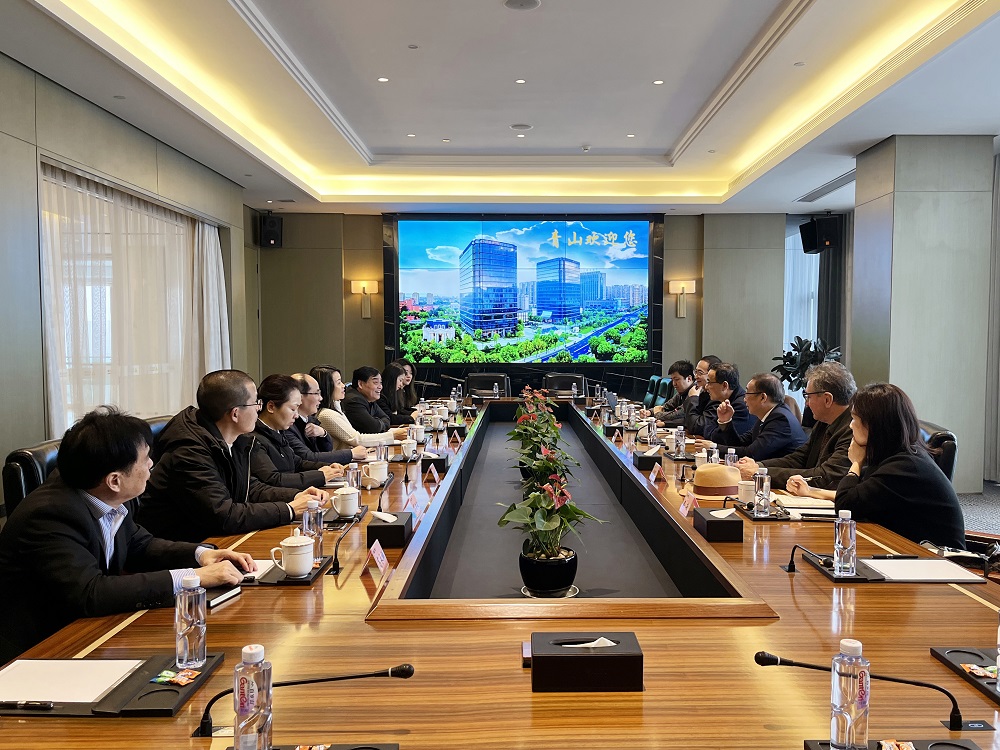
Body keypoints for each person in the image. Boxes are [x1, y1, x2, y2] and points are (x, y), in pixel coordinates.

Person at [0, 408, 255, 663]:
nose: (151, 464)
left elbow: (138, 543)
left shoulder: (110, 494)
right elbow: (91, 592)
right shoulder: (50, 514)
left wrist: (201, 555)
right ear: (114, 480)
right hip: (43, 651)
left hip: (95, 630)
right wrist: (193, 578)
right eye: (145, 459)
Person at [137, 370, 326, 542]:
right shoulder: (189, 451)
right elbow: (223, 514)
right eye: (255, 403)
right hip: (183, 548)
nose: (258, 409)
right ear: (235, 414)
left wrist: (296, 496)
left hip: (213, 538)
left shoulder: (235, 437)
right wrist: (289, 509)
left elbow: (250, 488)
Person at [786, 383, 965, 549]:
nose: (851, 425)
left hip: (937, 559)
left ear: (874, 425)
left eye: (854, 419)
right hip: (908, 547)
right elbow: (863, 494)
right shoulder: (896, 455)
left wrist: (856, 463)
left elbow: (846, 505)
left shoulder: (905, 466)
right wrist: (811, 491)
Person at [738, 361, 855, 490]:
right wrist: (759, 466)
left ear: (827, 399)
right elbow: (799, 458)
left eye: (808, 397)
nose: (806, 404)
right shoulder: (823, 423)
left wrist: (761, 473)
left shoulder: (853, 429)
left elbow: (825, 476)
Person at [250, 374, 345, 490]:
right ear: (271, 407)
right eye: (292, 409)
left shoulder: (278, 431)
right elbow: (273, 479)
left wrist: (328, 467)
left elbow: (297, 463)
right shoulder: (254, 439)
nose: (296, 415)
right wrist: (320, 475)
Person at [712, 372, 806, 460]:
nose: (744, 399)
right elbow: (740, 444)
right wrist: (726, 421)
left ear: (763, 397)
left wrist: (713, 448)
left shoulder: (781, 419)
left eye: (747, 393)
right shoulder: (769, 415)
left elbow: (752, 454)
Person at [311, 365, 407, 450]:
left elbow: (386, 418)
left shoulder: (337, 406)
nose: (343, 386)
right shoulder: (327, 414)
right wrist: (393, 435)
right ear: (327, 386)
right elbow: (357, 439)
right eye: (339, 382)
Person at [289, 372, 366, 463]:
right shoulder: (288, 426)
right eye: (316, 393)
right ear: (299, 397)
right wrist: (351, 453)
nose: (320, 398)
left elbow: (327, 449)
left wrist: (323, 434)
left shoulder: (310, 420)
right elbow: (307, 458)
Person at [684, 360, 752, 440]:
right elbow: (707, 429)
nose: (706, 387)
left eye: (709, 382)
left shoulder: (740, 406)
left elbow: (719, 438)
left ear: (724, 385)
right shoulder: (723, 400)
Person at [341, 366, 393, 434]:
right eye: (375, 382)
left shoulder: (369, 398)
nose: (380, 387)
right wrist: (379, 422)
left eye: (380, 383)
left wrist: (377, 422)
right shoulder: (354, 400)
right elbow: (373, 427)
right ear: (360, 384)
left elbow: (386, 418)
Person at [678, 354, 721, 436]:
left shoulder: (716, 398)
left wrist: (693, 398)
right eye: (696, 372)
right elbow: (687, 419)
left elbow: (697, 427)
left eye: (700, 373)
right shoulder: (702, 392)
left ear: (711, 375)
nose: (696, 376)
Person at [647, 360, 694, 427]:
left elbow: (678, 415)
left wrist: (657, 414)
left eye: (676, 379)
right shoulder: (681, 393)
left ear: (689, 379)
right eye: (672, 380)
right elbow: (666, 407)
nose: (674, 384)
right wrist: (650, 412)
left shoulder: (694, 394)